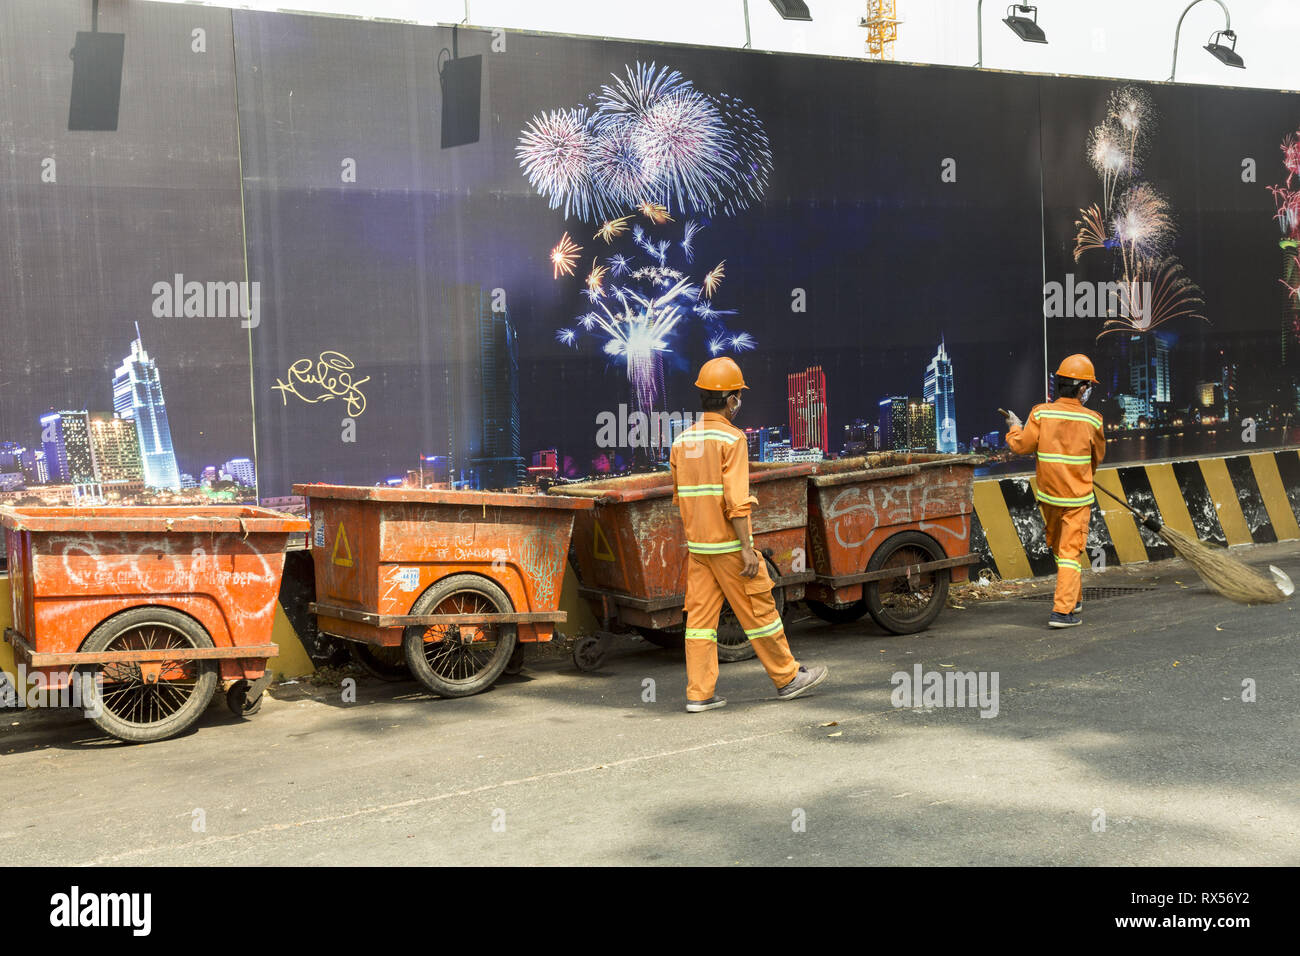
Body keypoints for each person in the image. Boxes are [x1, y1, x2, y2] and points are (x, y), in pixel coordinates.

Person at [669, 357, 828, 712]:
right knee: (760, 611)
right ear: (730, 400)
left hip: (698, 548)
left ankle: (699, 693)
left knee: (699, 623)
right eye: (738, 395)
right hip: (728, 546)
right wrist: (746, 550)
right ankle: (787, 678)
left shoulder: (682, 442)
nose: (739, 401)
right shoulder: (732, 439)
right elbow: (737, 503)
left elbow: (681, 499)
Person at [1004, 354, 1106, 628]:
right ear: (1082, 388)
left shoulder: (1040, 413)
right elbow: (1097, 457)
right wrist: (1083, 474)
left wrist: (1014, 428)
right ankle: (1062, 612)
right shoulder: (1093, 420)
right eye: (1088, 386)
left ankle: (1074, 598)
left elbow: (1022, 446)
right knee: (1071, 553)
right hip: (1077, 499)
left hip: (1049, 498)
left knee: (1061, 550)